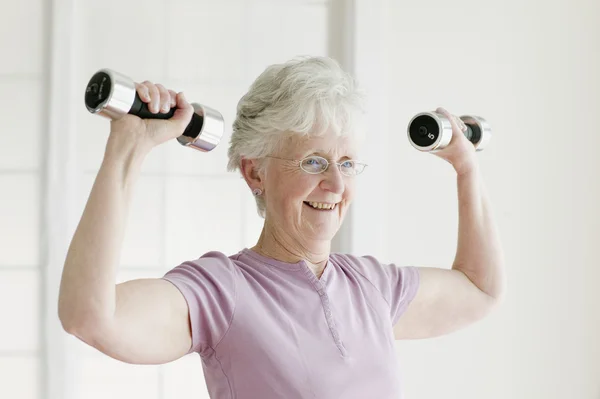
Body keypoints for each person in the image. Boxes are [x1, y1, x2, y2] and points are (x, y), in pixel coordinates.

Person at [58, 56, 505, 399]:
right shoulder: (222, 292)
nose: (335, 184)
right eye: (313, 161)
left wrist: (466, 169)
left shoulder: (371, 287)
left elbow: (479, 290)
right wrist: (127, 150)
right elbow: (91, 317)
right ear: (255, 173)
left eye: (346, 163)